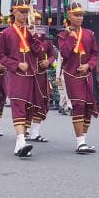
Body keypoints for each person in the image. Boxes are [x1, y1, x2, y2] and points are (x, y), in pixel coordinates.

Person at [0, 0, 39, 158]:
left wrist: (34, 38)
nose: (24, 15)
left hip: (31, 75)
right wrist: (16, 64)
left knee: (28, 108)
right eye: (21, 11)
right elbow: (0, 56)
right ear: (14, 12)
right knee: (18, 105)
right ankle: (21, 140)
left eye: (26, 12)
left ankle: (19, 145)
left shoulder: (29, 32)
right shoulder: (5, 34)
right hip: (15, 75)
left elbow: (37, 52)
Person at [57, 2, 99, 154]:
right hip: (72, 74)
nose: (80, 17)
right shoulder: (62, 35)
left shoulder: (89, 34)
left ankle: (84, 140)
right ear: (69, 16)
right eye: (76, 15)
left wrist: (89, 65)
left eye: (81, 14)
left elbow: (95, 54)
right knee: (79, 105)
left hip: (86, 74)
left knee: (88, 106)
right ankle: (80, 141)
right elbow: (65, 54)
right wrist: (71, 36)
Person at [27, 10, 56, 142]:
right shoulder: (25, 37)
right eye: (34, 19)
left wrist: (48, 61)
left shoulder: (46, 39)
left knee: (42, 102)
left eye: (38, 19)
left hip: (42, 74)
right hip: (28, 74)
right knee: (28, 103)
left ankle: (35, 132)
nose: (37, 22)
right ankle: (25, 130)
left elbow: (52, 55)